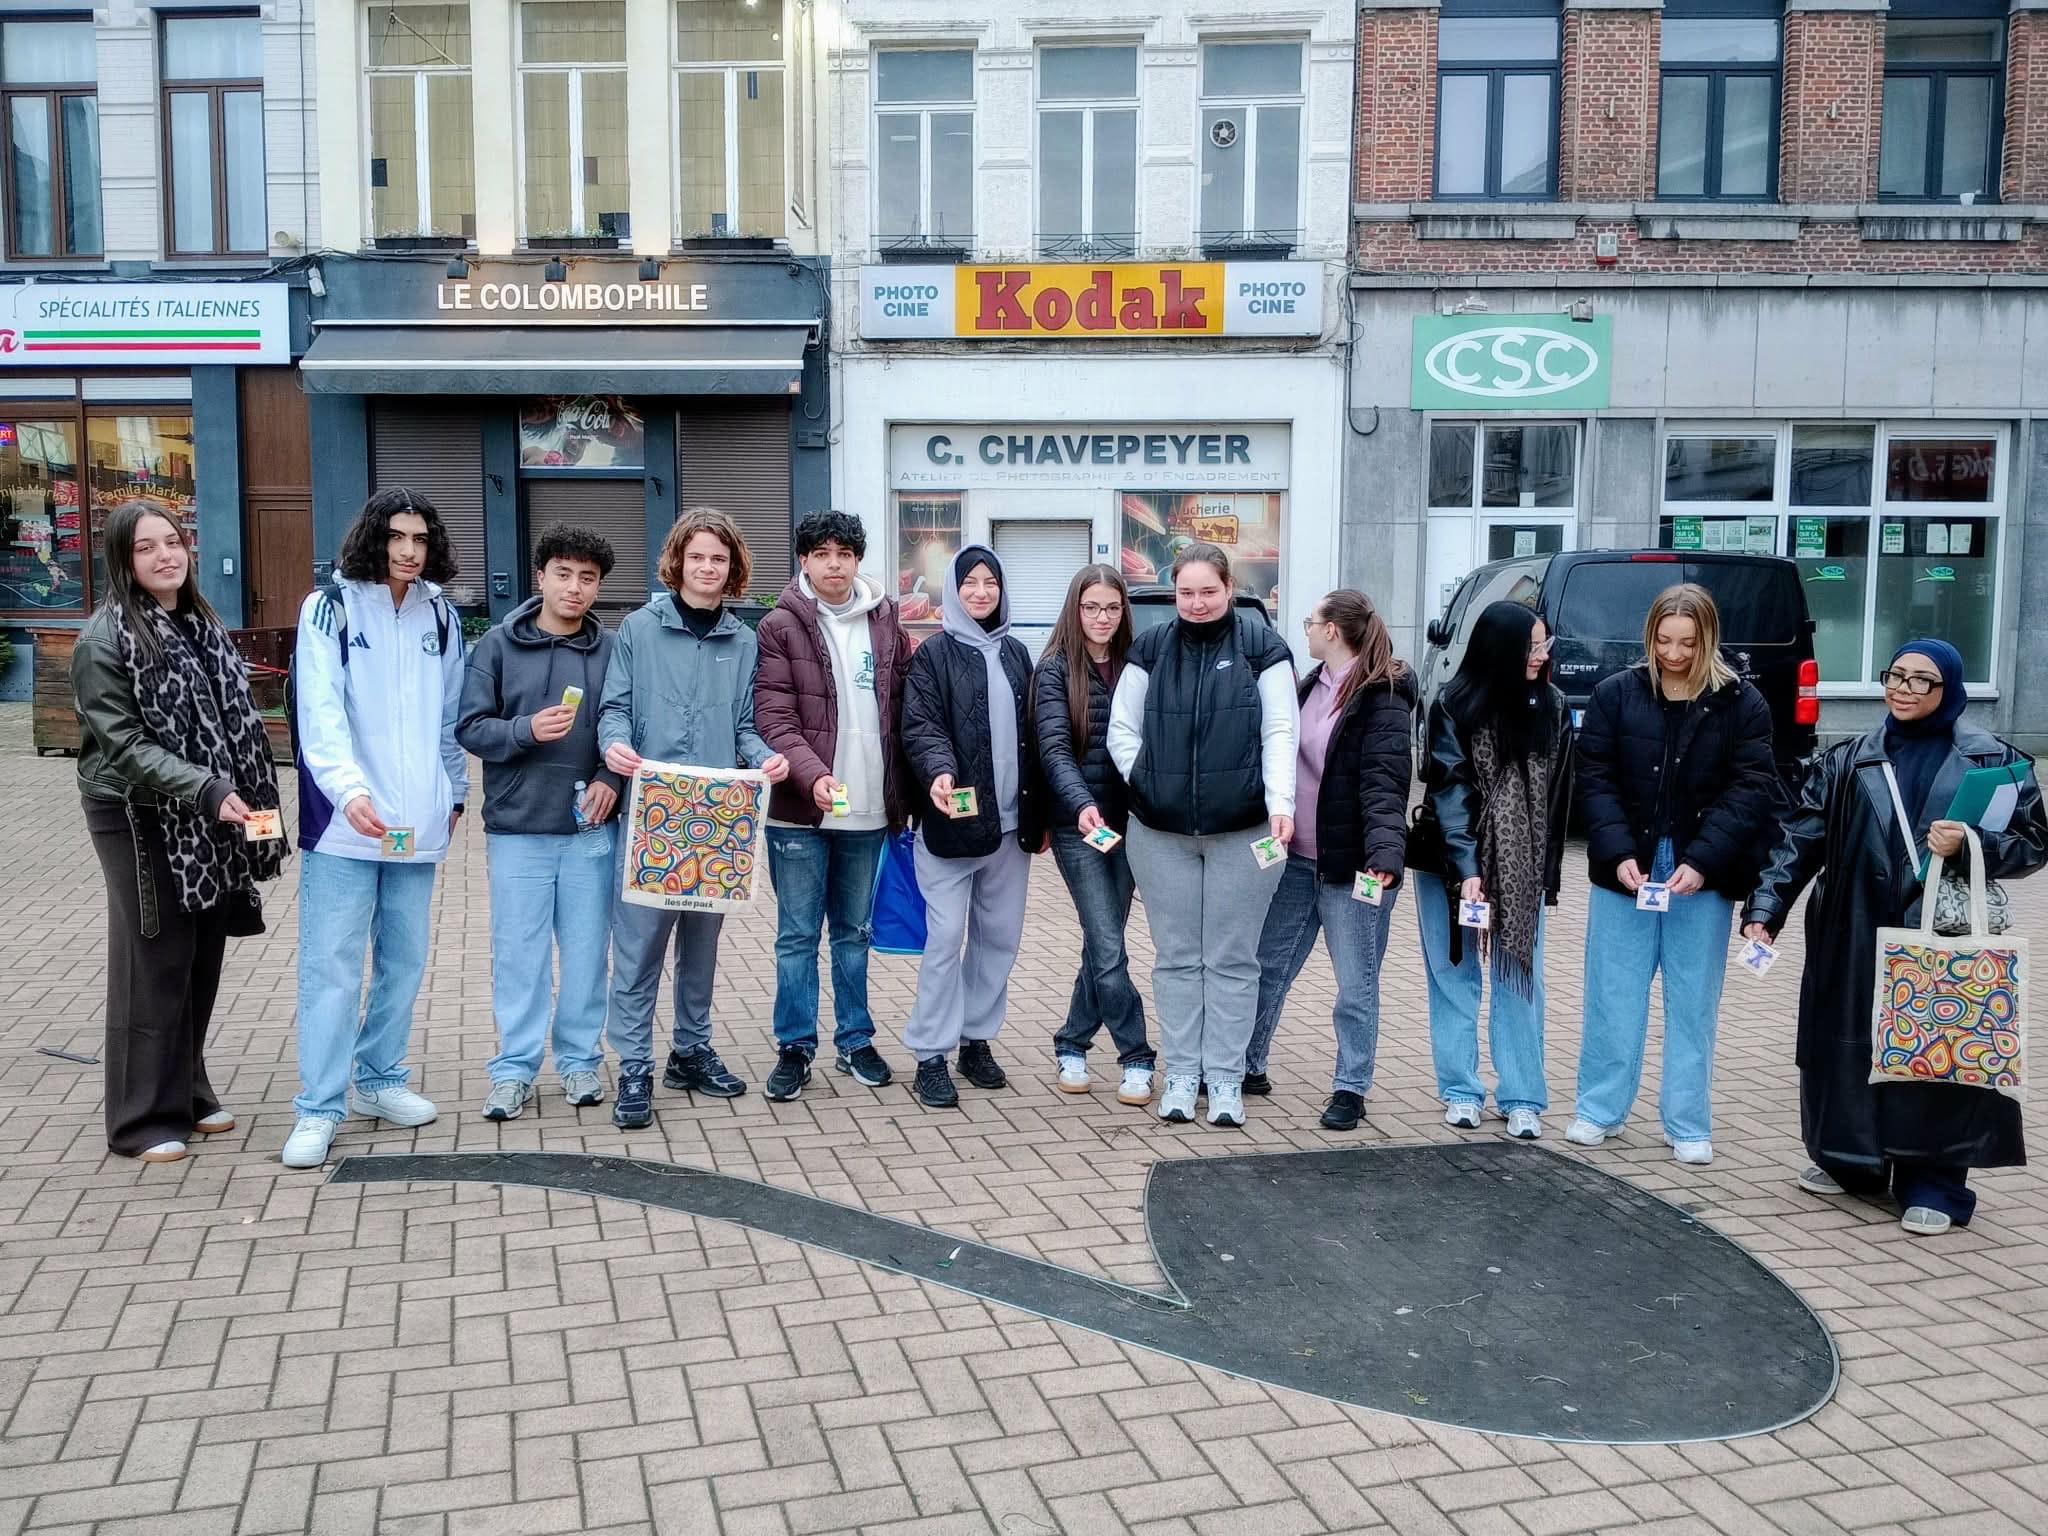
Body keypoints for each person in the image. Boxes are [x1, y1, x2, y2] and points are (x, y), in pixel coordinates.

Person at [1744, 640, 2045, 1235]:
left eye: (1921, 680)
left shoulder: (1993, 759)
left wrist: (1975, 845)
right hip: (1853, 928)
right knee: (1850, 1047)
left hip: (1942, 932)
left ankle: (1933, 1183)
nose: (1903, 689)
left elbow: (2034, 842)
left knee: (1937, 1046)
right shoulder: (1849, 758)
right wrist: (1765, 909)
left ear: (1950, 690)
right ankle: (1853, 1162)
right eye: (1896, 676)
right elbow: (1799, 838)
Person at [73, 500, 287, 1163]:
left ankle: (187, 1093)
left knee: (201, 950)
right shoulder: (103, 640)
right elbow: (125, 745)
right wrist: (206, 787)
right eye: (146, 547)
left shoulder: (198, 623)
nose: (166, 555)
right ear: (122, 559)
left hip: (208, 809)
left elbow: (233, 725)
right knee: (155, 957)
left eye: (172, 541)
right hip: (137, 811)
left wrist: (239, 798)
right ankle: (140, 1118)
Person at [285, 488, 467, 1169]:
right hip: (345, 823)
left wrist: (455, 791)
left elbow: (449, 717)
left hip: (413, 823)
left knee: (404, 960)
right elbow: (321, 712)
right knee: (332, 966)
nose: (408, 551)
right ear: (373, 537)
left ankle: (381, 1078)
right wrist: (349, 790)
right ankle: (318, 1106)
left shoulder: (441, 614)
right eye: (396, 536)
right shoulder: (328, 608)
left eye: (419, 538)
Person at [1567, 584, 1779, 1165]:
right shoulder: (1615, 694)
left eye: (1688, 643)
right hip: (1626, 870)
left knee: (1692, 1002)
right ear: (1650, 636)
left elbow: (1751, 789)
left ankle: (1687, 1122)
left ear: (1708, 639)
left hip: (1700, 874)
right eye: (1664, 641)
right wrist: (1616, 851)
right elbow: (1594, 778)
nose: (1674, 654)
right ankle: (1599, 1109)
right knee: (1612, 995)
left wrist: (1703, 860)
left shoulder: (1743, 703)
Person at [599, 507, 789, 1128]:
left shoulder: (743, 640)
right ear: (677, 561)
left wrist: (765, 757)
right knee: (639, 947)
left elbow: (744, 727)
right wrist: (613, 744)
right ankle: (634, 1064)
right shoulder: (637, 629)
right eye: (698, 556)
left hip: (718, 815)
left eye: (719, 559)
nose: (708, 568)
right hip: (653, 812)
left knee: (701, 947)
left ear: (734, 568)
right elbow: (614, 708)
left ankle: (690, 1049)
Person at [1107, 542, 1298, 1129]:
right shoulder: (1150, 648)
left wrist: (1281, 802)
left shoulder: (1263, 649)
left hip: (1244, 830)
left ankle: (1225, 1078)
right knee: (1177, 958)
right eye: (1186, 592)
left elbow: (1281, 730)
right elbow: (1121, 728)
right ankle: (1182, 1074)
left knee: (1232, 959)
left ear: (1229, 588)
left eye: (1208, 591)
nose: (1196, 603)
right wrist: (1146, 779)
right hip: (1159, 832)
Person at [457, 524, 623, 1121]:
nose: (574, 588)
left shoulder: (612, 651)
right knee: (519, 955)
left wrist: (611, 777)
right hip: (518, 828)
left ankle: (580, 1061)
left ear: (598, 587)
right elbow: (470, 727)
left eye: (587, 578)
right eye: (563, 574)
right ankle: (514, 1070)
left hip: (589, 829)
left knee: (586, 954)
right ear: (540, 576)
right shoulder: (497, 647)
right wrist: (525, 730)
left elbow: (627, 725)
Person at [753, 510, 912, 1101]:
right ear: (804, 560)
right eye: (821, 553)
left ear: (857, 560)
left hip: (868, 810)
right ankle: (795, 1048)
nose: (834, 564)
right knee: (797, 936)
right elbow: (774, 718)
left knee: (853, 933)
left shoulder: (887, 621)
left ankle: (855, 1039)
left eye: (844, 553)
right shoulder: (779, 626)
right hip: (800, 812)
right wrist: (814, 775)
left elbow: (908, 708)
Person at [1248, 590, 1415, 1131]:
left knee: (1356, 986)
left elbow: (1385, 785)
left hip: (1354, 868)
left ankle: (1350, 1087)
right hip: (1297, 860)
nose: (1306, 630)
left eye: (1311, 621)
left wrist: (1384, 854)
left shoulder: (1383, 697)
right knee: (1268, 967)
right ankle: (1248, 1065)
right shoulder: (1308, 685)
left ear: (1333, 631)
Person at [1409, 600, 1571, 1141]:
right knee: (1453, 976)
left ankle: (1522, 1097)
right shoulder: (1453, 704)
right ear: (1499, 649)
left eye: (1545, 644)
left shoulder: (1552, 705)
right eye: (1531, 646)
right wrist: (1468, 868)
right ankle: (1460, 1090)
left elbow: (1556, 800)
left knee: (1518, 977)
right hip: (1450, 866)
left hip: (1521, 870)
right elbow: (1449, 789)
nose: (1541, 655)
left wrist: (1545, 874)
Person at [899, 545, 1043, 1108]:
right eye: (970, 583)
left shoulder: (1017, 654)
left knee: (998, 938)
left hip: (1010, 828)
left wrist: (1041, 812)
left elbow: (1035, 735)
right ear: (953, 591)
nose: (981, 592)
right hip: (952, 826)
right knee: (943, 939)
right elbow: (921, 725)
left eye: (991, 582)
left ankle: (975, 1039)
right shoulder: (933, 655)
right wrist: (939, 770)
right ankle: (930, 1053)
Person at [1035, 564, 1153, 1105]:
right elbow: (1054, 750)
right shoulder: (1055, 669)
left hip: (1132, 825)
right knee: (1108, 944)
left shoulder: (1139, 662)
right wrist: (1081, 804)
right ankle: (1136, 1056)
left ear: (1123, 610)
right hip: (1077, 827)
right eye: (1091, 608)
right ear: (1075, 609)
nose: (1102, 618)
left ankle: (1072, 1042)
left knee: (1101, 944)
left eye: (1111, 607)